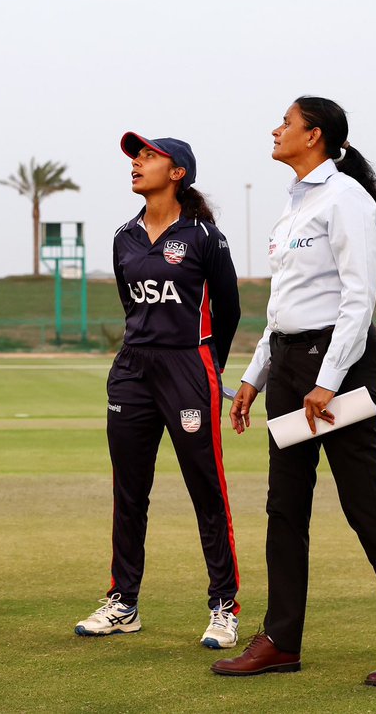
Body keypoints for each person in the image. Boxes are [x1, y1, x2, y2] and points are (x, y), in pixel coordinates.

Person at [211, 97, 376, 685]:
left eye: (285, 122)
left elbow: (358, 301)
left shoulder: (347, 200)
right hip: (289, 364)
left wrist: (326, 382)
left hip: (338, 366)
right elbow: (283, 306)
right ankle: (281, 640)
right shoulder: (293, 208)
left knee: (365, 507)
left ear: (314, 135)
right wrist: (253, 377)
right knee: (285, 508)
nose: (275, 129)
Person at [74, 133, 242, 649]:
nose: (136, 164)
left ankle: (224, 606)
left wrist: (208, 366)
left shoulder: (204, 236)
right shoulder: (124, 236)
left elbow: (229, 310)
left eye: (148, 157)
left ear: (178, 173)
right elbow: (133, 306)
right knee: (129, 492)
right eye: (135, 157)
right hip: (132, 370)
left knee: (206, 490)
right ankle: (123, 602)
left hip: (189, 368)